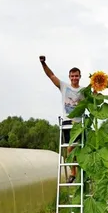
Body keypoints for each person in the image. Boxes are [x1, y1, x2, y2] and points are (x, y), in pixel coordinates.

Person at [39, 55, 84, 183]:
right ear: (69, 77)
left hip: (79, 123)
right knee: (69, 148)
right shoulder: (64, 86)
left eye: (77, 76)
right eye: (72, 76)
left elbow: (94, 98)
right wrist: (43, 63)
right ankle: (73, 173)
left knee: (77, 148)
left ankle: (77, 173)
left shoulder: (84, 90)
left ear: (80, 77)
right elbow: (51, 75)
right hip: (67, 122)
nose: (74, 78)